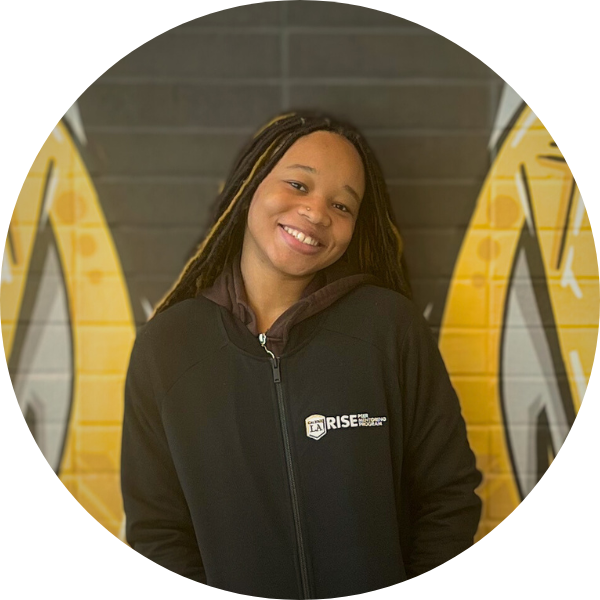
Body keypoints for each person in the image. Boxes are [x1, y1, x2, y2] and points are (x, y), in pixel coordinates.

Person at [121, 111, 482, 599]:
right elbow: (158, 533)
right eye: (297, 184)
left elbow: (448, 497)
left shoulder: (389, 328)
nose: (316, 212)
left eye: (342, 205)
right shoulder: (168, 346)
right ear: (251, 184)